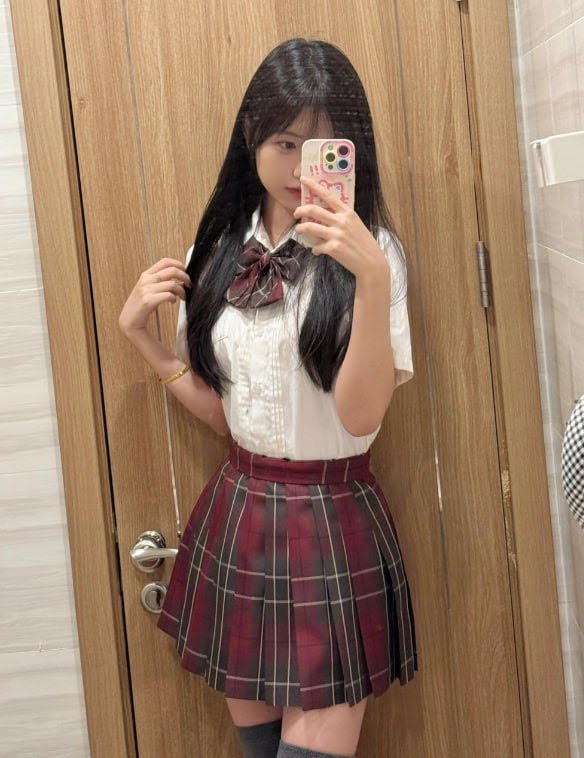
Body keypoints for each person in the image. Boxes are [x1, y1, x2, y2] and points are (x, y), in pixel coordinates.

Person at [119, 37, 418, 758]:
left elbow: (360, 416)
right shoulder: (218, 251)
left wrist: (372, 281)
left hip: (331, 519)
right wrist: (144, 341)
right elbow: (229, 418)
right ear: (251, 136)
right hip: (240, 512)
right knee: (258, 751)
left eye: (319, 148)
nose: (296, 169)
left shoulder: (375, 256)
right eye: (285, 144)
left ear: (349, 153)